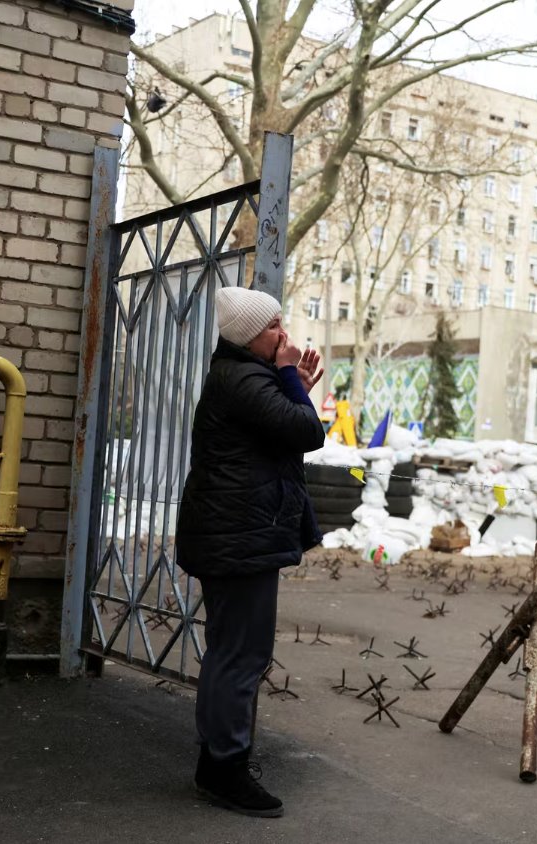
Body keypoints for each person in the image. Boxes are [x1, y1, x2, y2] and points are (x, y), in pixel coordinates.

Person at [174, 285, 325, 818]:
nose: (284, 334)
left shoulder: (242, 377)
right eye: (273, 326)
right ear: (247, 336)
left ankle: (218, 762)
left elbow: (280, 434)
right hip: (239, 537)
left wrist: (293, 382)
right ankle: (224, 770)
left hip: (237, 534)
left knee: (230, 653)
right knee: (241, 656)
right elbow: (308, 432)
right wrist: (291, 380)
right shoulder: (243, 378)